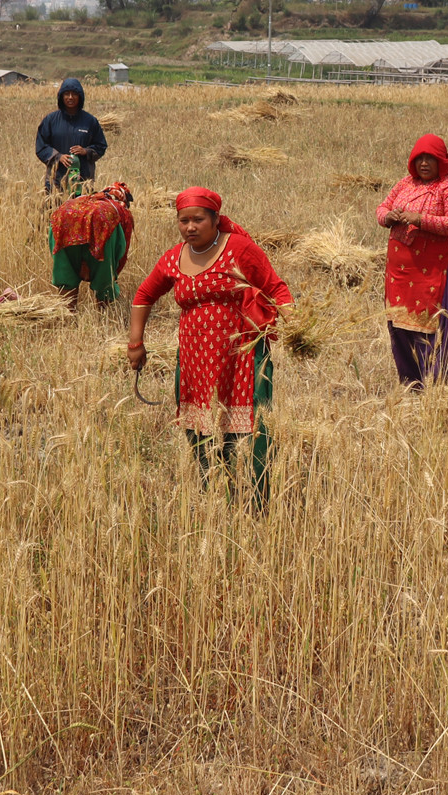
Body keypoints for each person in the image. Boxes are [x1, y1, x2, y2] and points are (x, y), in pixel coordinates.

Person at [129, 188, 293, 504]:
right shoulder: (174, 257)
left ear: (216, 219)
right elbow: (144, 295)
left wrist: (299, 327)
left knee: (251, 428)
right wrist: (136, 342)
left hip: (242, 355)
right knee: (199, 428)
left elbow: (275, 288)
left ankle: (258, 501)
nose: (190, 227)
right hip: (194, 359)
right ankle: (214, 492)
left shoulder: (240, 249)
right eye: (183, 220)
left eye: (198, 219)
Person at [376, 134, 448, 390]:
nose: (424, 163)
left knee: (433, 324)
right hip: (400, 273)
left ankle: (436, 385)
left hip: (434, 271)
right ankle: (411, 384)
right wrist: (389, 217)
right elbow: (381, 209)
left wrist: (419, 218)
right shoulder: (405, 184)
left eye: (430, 159)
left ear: (442, 162)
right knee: (400, 324)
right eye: (419, 159)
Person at [48, 179, 134, 311]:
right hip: (100, 223)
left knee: (66, 271)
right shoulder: (121, 212)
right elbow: (120, 250)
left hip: (64, 217)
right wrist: (110, 276)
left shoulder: (84, 198)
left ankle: (67, 315)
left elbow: (53, 245)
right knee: (104, 277)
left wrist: (78, 261)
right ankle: (102, 314)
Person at [35, 77, 107, 194]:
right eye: (66, 94)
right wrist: (58, 157)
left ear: (80, 97)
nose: (70, 97)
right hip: (56, 181)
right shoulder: (50, 120)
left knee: (82, 211)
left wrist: (86, 151)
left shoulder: (90, 121)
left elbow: (101, 146)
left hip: (83, 181)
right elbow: (41, 146)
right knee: (55, 211)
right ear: (61, 97)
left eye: (74, 94)